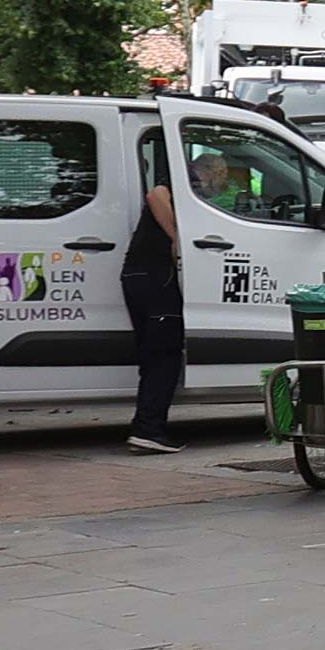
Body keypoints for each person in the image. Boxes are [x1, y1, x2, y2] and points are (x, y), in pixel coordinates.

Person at [123, 125, 186, 454]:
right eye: (219, 174)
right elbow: (155, 195)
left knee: (152, 354)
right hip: (154, 276)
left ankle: (148, 424)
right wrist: (177, 236)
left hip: (139, 276)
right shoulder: (180, 185)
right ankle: (148, 428)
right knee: (164, 354)